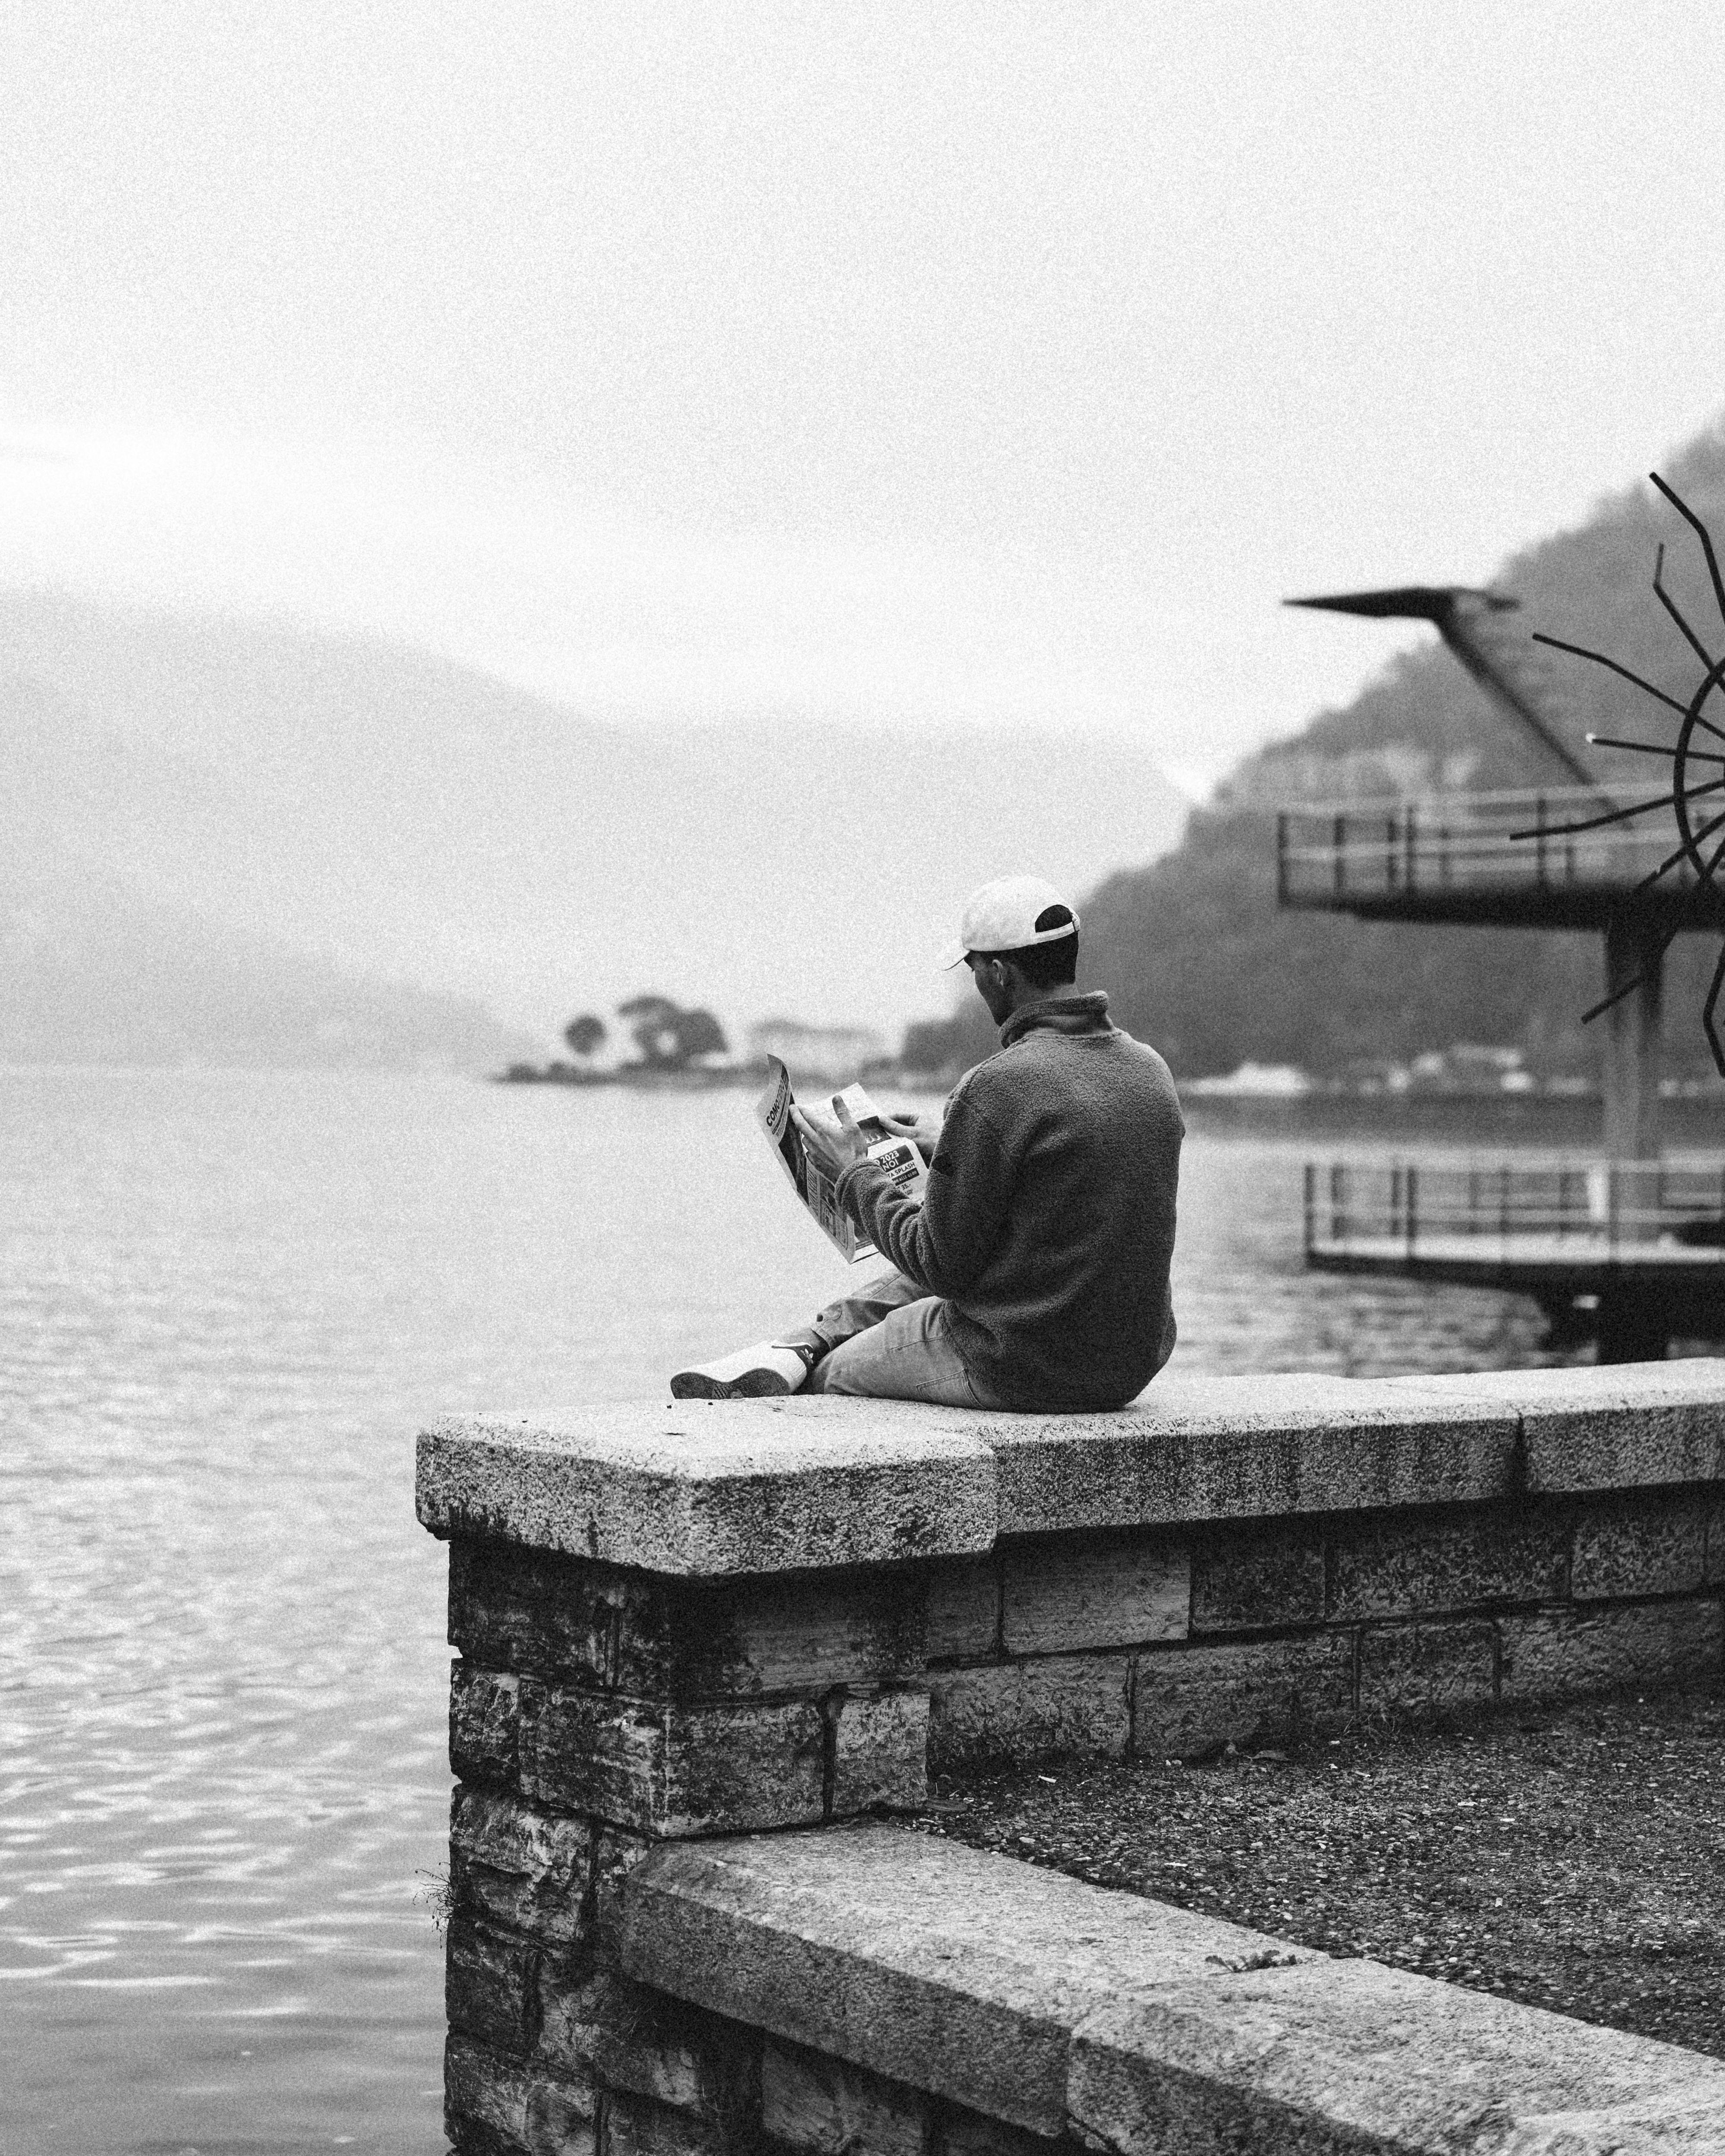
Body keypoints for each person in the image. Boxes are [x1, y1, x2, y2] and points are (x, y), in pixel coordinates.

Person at [670, 874, 1183, 1411]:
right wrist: (950, 1147)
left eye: (973, 969)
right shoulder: (1148, 1068)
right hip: (1127, 1360)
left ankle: (813, 1353)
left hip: (1028, 1361)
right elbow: (1076, 1176)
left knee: (831, 1379)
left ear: (999, 973)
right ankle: (807, 1336)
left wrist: (852, 1172)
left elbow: (938, 1264)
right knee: (950, 1266)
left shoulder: (998, 1085)